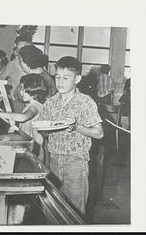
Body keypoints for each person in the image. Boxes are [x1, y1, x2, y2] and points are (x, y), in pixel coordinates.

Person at [35, 56, 104, 215]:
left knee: (75, 212)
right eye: (58, 77)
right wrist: (42, 128)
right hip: (53, 161)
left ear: (77, 79)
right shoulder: (52, 102)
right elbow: (43, 127)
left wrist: (77, 127)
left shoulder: (85, 102)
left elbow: (99, 133)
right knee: (53, 209)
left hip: (75, 162)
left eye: (66, 78)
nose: (60, 82)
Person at [0, 74, 48, 152]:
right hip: (27, 140)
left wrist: (0, 114)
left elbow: (23, 117)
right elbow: (26, 124)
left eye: (23, 90)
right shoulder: (29, 105)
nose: (20, 92)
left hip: (35, 146)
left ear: (31, 90)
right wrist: (16, 128)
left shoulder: (36, 106)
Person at [3, 34, 33, 113]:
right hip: (17, 100)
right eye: (18, 49)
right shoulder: (11, 64)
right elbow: (0, 80)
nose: (20, 52)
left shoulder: (36, 63)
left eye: (23, 49)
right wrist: (9, 93)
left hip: (33, 101)